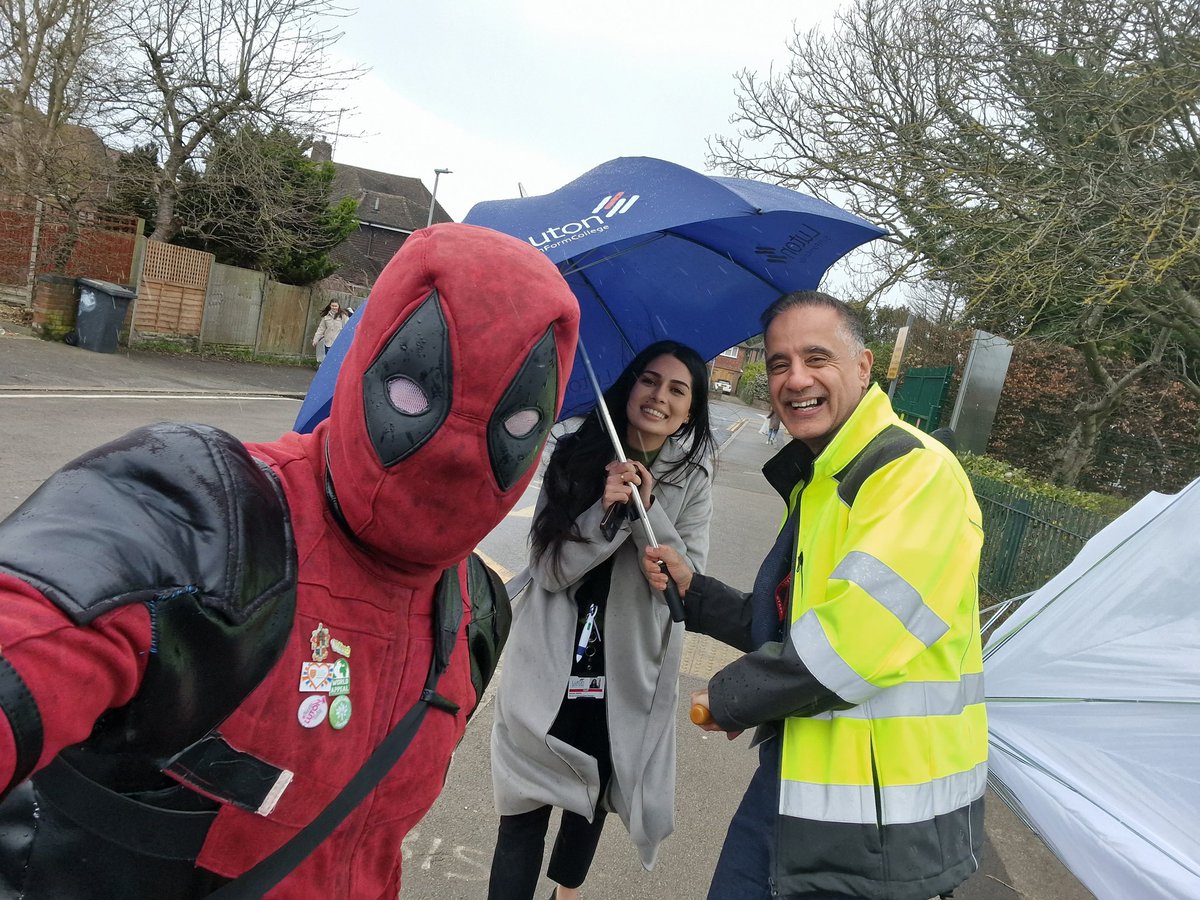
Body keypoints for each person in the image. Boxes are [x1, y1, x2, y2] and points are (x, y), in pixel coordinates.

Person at [0, 223, 580, 898]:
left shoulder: (476, 612)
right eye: (415, 396)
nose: (452, 454)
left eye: (513, 424)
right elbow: (36, 627)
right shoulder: (206, 512)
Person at [644, 291, 986, 900]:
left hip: (885, 821)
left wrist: (729, 696)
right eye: (778, 363)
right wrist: (692, 591)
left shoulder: (913, 474)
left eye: (816, 357)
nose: (795, 378)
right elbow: (781, 625)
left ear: (863, 367)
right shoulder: (823, 479)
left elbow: (857, 640)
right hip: (802, 778)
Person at [488, 341, 717, 900]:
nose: (659, 397)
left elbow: (690, 577)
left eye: (677, 390)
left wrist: (649, 506)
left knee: (592, 793)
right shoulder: (573, 456)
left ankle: (567, 893)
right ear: (627, 386)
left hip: (623, 667)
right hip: (550, 663)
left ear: (691, 411)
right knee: (522, 808)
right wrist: (608, 511)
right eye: (649, 380)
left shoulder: (694, 478)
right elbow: (548, 570)